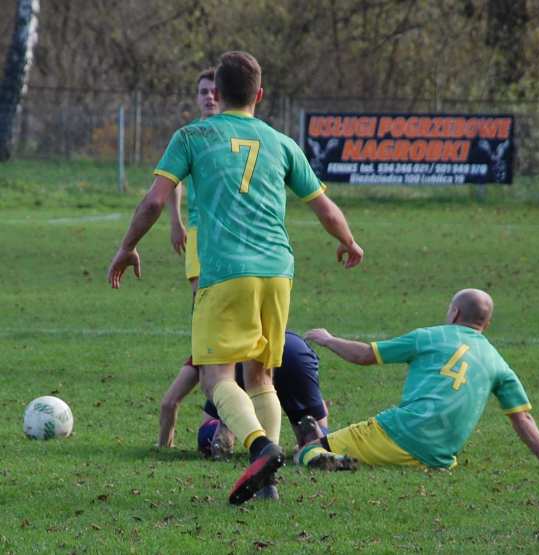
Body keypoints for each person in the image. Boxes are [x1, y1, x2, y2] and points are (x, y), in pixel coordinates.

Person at [107, 51, 363, 505]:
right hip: (278, 272)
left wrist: (127, 247)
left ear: (217, 94)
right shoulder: (282, 143)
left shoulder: (192, 136)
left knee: (217, 377)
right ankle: (269, 485)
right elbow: (324, 204)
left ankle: (261, 448)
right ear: (259, 96)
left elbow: (152, 202)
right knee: (262, 374)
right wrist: (348, 241)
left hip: (225, 271)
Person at [297, 289, 539, 471]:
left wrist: (327, 339)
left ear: (455, 314)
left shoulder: (429, 336)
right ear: (487, 324)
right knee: (332, 441)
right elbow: (523, 419)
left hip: (397, 432)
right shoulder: (498, 363)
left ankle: (321, 448)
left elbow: (365, 355)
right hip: (437, 458)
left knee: (305, 453)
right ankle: (325, 438)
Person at [158, 331, 331, 457]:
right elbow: (321, 407)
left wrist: (164, 445)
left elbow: (170, 402)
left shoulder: (211, 342)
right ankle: (311, 435)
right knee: (314, 423)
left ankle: (224, 426)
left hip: (231, 357)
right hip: (294, 350)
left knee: (218, 405)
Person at [166, 67, 218, 301]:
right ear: (197, 98)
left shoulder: (240, 133)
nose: (209, 97)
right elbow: (172, 180)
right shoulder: (189, 136)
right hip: (199, 226)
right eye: (203, 92)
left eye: (214, 92)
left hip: (234, 228)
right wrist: (176, 221)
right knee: (201, 296)